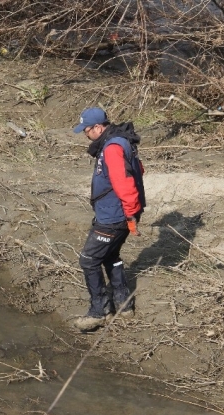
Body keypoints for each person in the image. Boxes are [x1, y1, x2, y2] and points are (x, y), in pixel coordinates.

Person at [72, 107, 146, 331]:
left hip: (114, 216)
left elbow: (125, 182)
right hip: (117, 213)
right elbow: (139, 169)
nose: (85, 134)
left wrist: (130, 214)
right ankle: (124, 305)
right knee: (111, 255)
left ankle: (98, 312)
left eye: (86, 130)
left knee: (88, 259)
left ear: (97, 127)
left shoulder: (113, 148)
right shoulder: (119, 141)